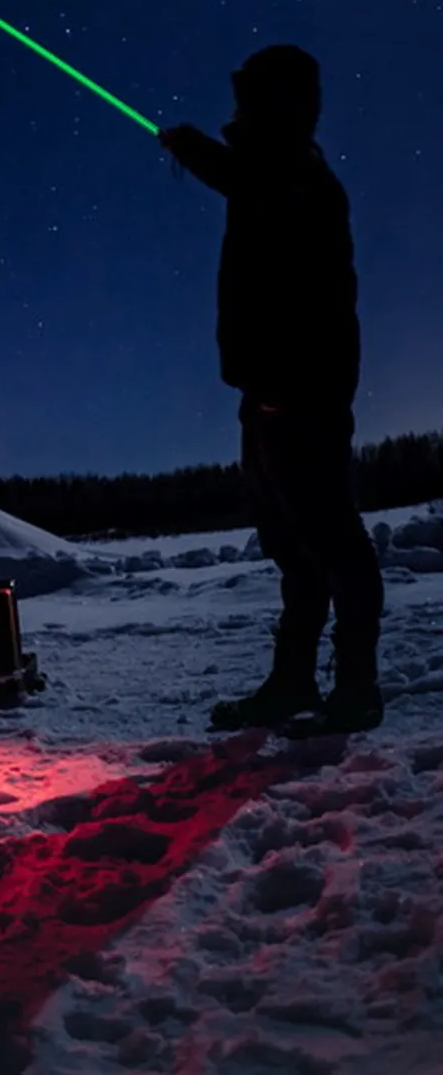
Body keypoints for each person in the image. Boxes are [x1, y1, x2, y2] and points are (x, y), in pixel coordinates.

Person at [160, 45, 384, 735]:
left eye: (247, 97)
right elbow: (243, 175)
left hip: (303, 392)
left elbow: (247, 177)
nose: (235, 108)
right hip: (268, 392)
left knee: (332, 540)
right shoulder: (273, 167)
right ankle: (292, 683)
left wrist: (193, 145)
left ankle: (356, 691)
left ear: (275, 102)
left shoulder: (294, 175)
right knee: (294, 547)